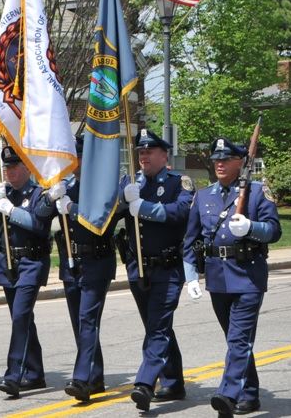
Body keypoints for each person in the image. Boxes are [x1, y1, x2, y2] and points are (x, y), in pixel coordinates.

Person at [183, 137, 281, 416]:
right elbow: (190, 240)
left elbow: (274, 230)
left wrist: (252, 226)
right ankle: (250, 393)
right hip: (217, 276)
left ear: (241, 162)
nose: (220, 164)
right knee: (235, 338)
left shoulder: (258, 192)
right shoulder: (203, 196)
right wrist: (191, 276)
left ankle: (227, 394)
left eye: (226, 159)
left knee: (239, 339)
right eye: (216, 159)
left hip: (249, 276)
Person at [35, 135, 117, 401]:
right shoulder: (66, 184)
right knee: (80, 324)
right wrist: (50, 199)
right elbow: (39, 215)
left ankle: (82, 379)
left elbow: (99, 218)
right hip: (71, 264)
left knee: (87, 320)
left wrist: (70, 207)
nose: (71, 162)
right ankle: (96, 376)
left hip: (96, 262)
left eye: (75, 156)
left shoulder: (101, 186)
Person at [118, 129, 194, 412]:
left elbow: (181, 212)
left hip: (167, 268)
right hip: (139, 268)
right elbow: (111, 214)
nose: (144, 156)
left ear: (164, 155)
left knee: (157, 328)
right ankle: (173, 382)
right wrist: (123, 200)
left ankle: (145, 383)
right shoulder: (132, 183)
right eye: (140, 152)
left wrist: (143, 207)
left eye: (149, 152)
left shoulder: (179, 182)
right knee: (156, 327)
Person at [0, 145, 52, 398]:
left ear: (26, 168)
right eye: (7, 167)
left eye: (14, 167)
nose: (9, 172)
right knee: (22, 319)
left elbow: (38, 225)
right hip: (8, 264)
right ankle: (35, 373)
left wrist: (11, 210)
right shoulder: (3, 193)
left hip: (31, 262)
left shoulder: (38, 193)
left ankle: (13, 375)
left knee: (20, 316)